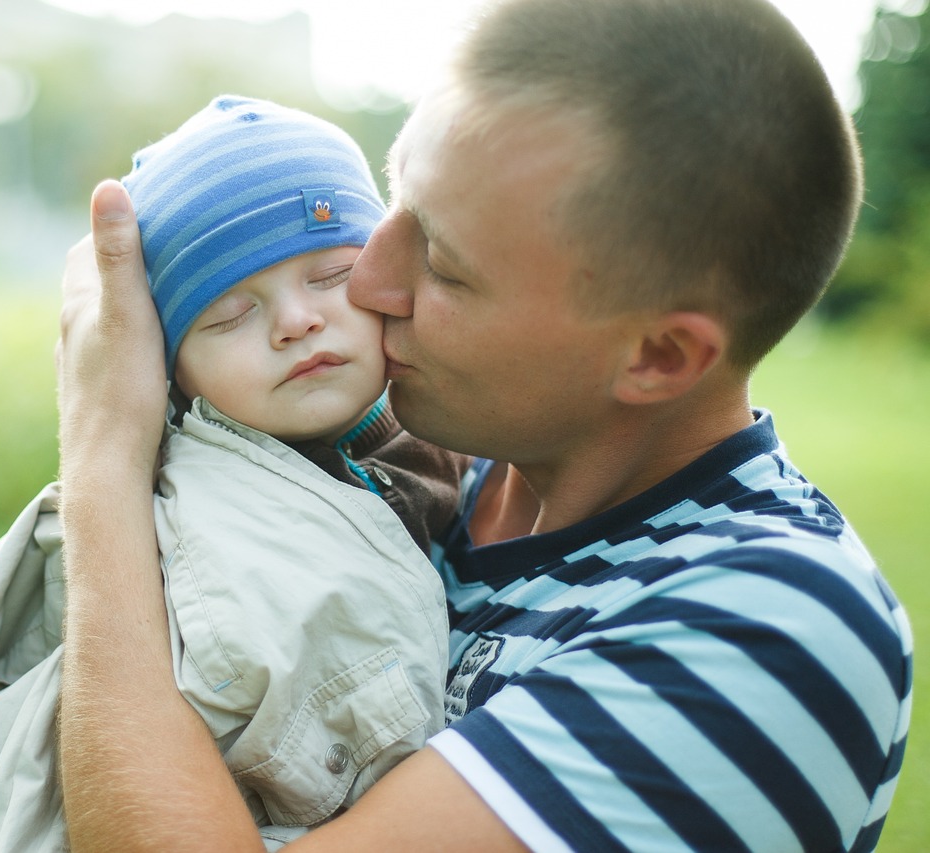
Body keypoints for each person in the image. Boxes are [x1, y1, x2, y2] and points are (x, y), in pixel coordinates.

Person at [54, 0, 913, 851]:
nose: (368, 283)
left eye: (443, 263)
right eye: (394, 207)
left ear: (657, 355)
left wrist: (104, 446)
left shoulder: (768, 627)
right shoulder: (413, 480)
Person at [0, 96, 466, 852]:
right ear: (166, 368)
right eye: (228, 314)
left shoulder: (452, 430)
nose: (295, 320)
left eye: (332, 274)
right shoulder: (202, 524)